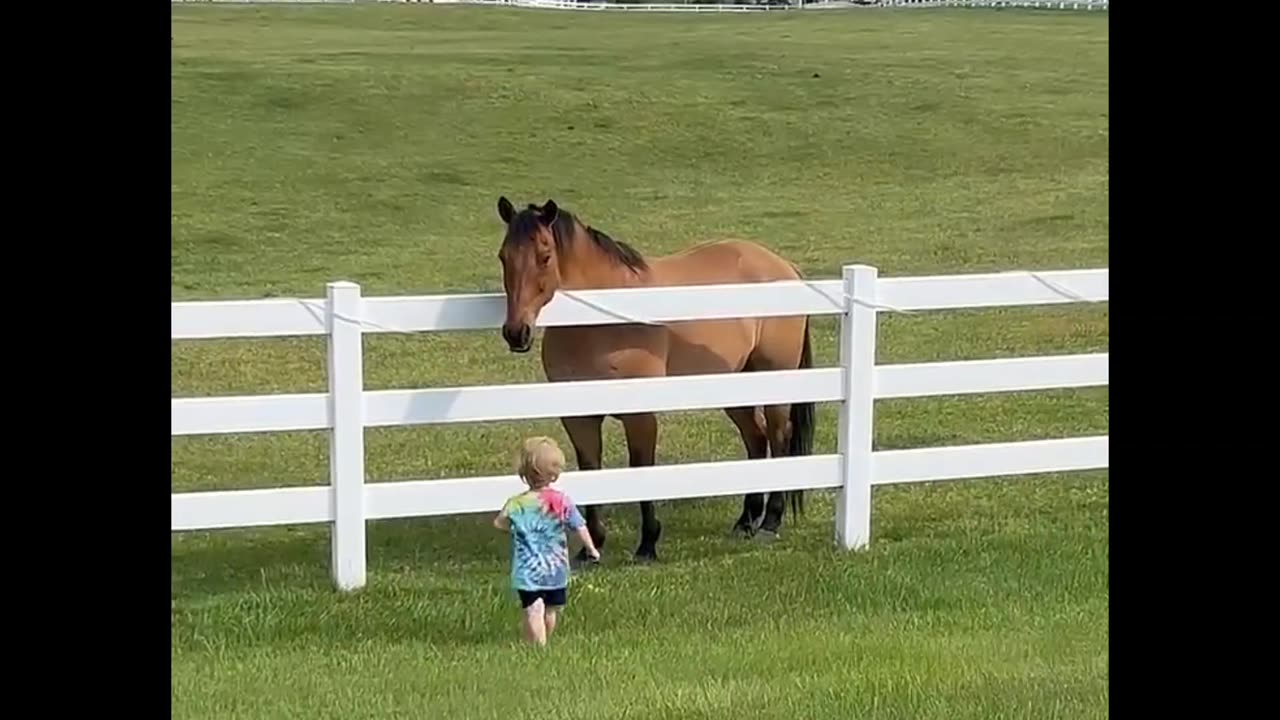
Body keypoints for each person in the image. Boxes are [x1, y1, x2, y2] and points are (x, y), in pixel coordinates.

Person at [493, 436, 600, 646]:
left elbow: (499, 523)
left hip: (528, 569)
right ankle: (543, 642)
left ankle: (538, 648)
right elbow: (580, 525)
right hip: (555, 568)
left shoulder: (517, 503)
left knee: (533, 608)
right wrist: (591, 548)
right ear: (554, 472)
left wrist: (516, 528)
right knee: (551, 610)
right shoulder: (561, 501)